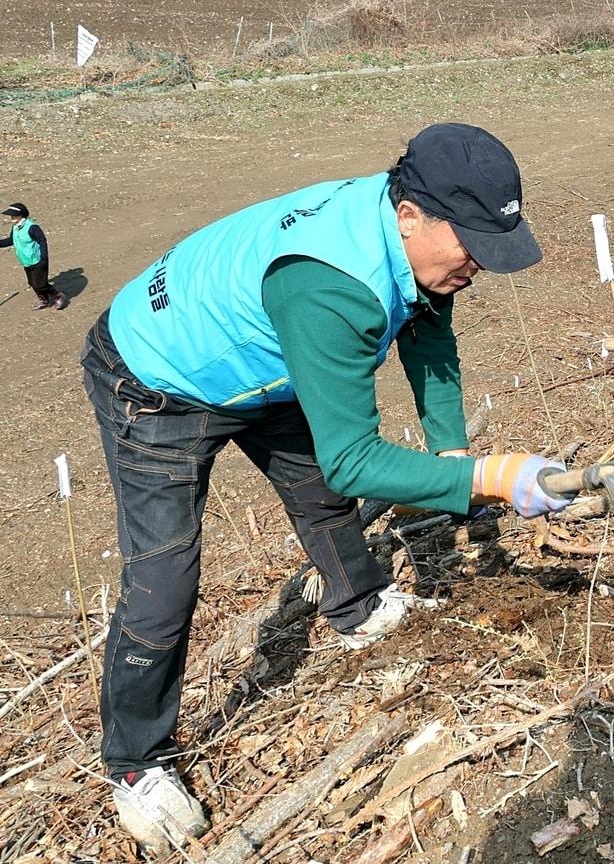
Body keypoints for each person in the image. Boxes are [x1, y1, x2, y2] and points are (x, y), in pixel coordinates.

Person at [82, 123, 573, 853]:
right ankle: (135, 762)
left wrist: (452, 450)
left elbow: (429, 336)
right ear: (410, 215)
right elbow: (355, 459)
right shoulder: (331, 284)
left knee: (316, 491)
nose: (478, 264)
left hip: (265, 359)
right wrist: (487, 478)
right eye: (470, 243)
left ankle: (358, 604)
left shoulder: (413, 250)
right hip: (156, 378)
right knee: (164, 576)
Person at [1, 203, 69, 310]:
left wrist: (44, 258)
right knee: (32, 283)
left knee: (40, 284)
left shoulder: (32, 227)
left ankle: (57, 295)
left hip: (37, 260)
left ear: (21, 215)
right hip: (26, 261)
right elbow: (11, 240)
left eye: (14, 215)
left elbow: (42, 241)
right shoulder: (15, 228)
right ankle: (44, 299)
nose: (11, 217)